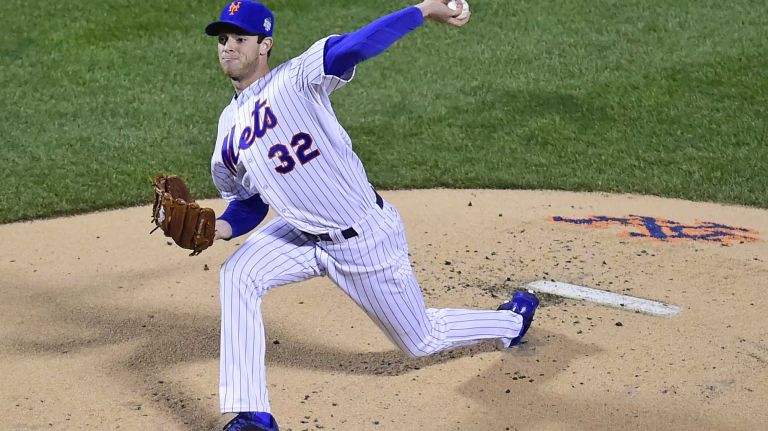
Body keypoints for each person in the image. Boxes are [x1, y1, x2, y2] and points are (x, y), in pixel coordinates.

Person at [203, 1, 539, 429]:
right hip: (301, 234)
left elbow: (356, 47)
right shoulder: (227, 127)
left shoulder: (297, 78)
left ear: (264, 45)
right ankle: (253, 415)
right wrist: (218, 228)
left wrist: (423, 9)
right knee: (238, 275)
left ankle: (509, 321)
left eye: (239, 38)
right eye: (223, 39)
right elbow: (251, 202)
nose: (228, 47)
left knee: (420, 340)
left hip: (362, 239)